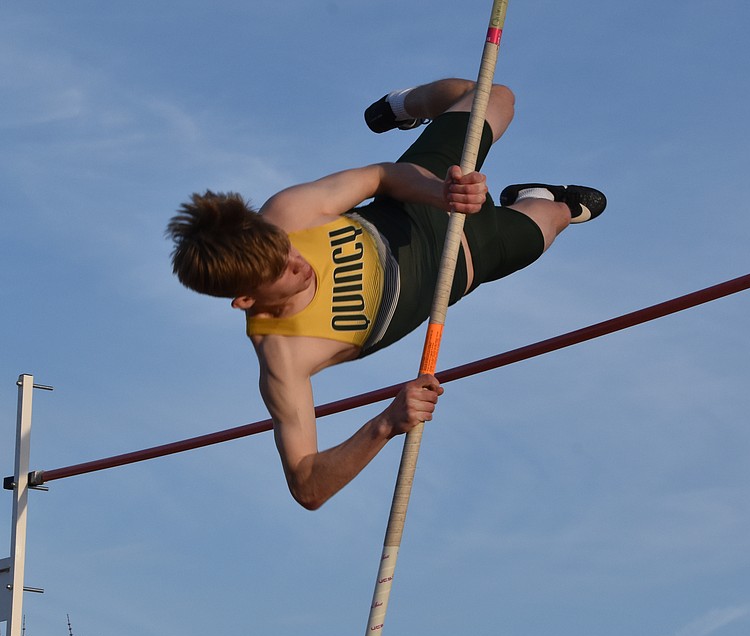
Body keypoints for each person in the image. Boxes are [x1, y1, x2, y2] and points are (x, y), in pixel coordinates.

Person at [168, 78, 605, 510]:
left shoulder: (288, 213)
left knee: (497, 98)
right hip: (472, 261)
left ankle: (401, 106)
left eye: (285, 248)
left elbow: (379, 176)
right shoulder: (285, 355)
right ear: (245, 300)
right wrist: (385, 424)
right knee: (556, 215)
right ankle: (537, 197)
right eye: (280, 271)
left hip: (426, 195)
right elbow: (308, 486)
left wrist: (444, 193)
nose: (297, 260)